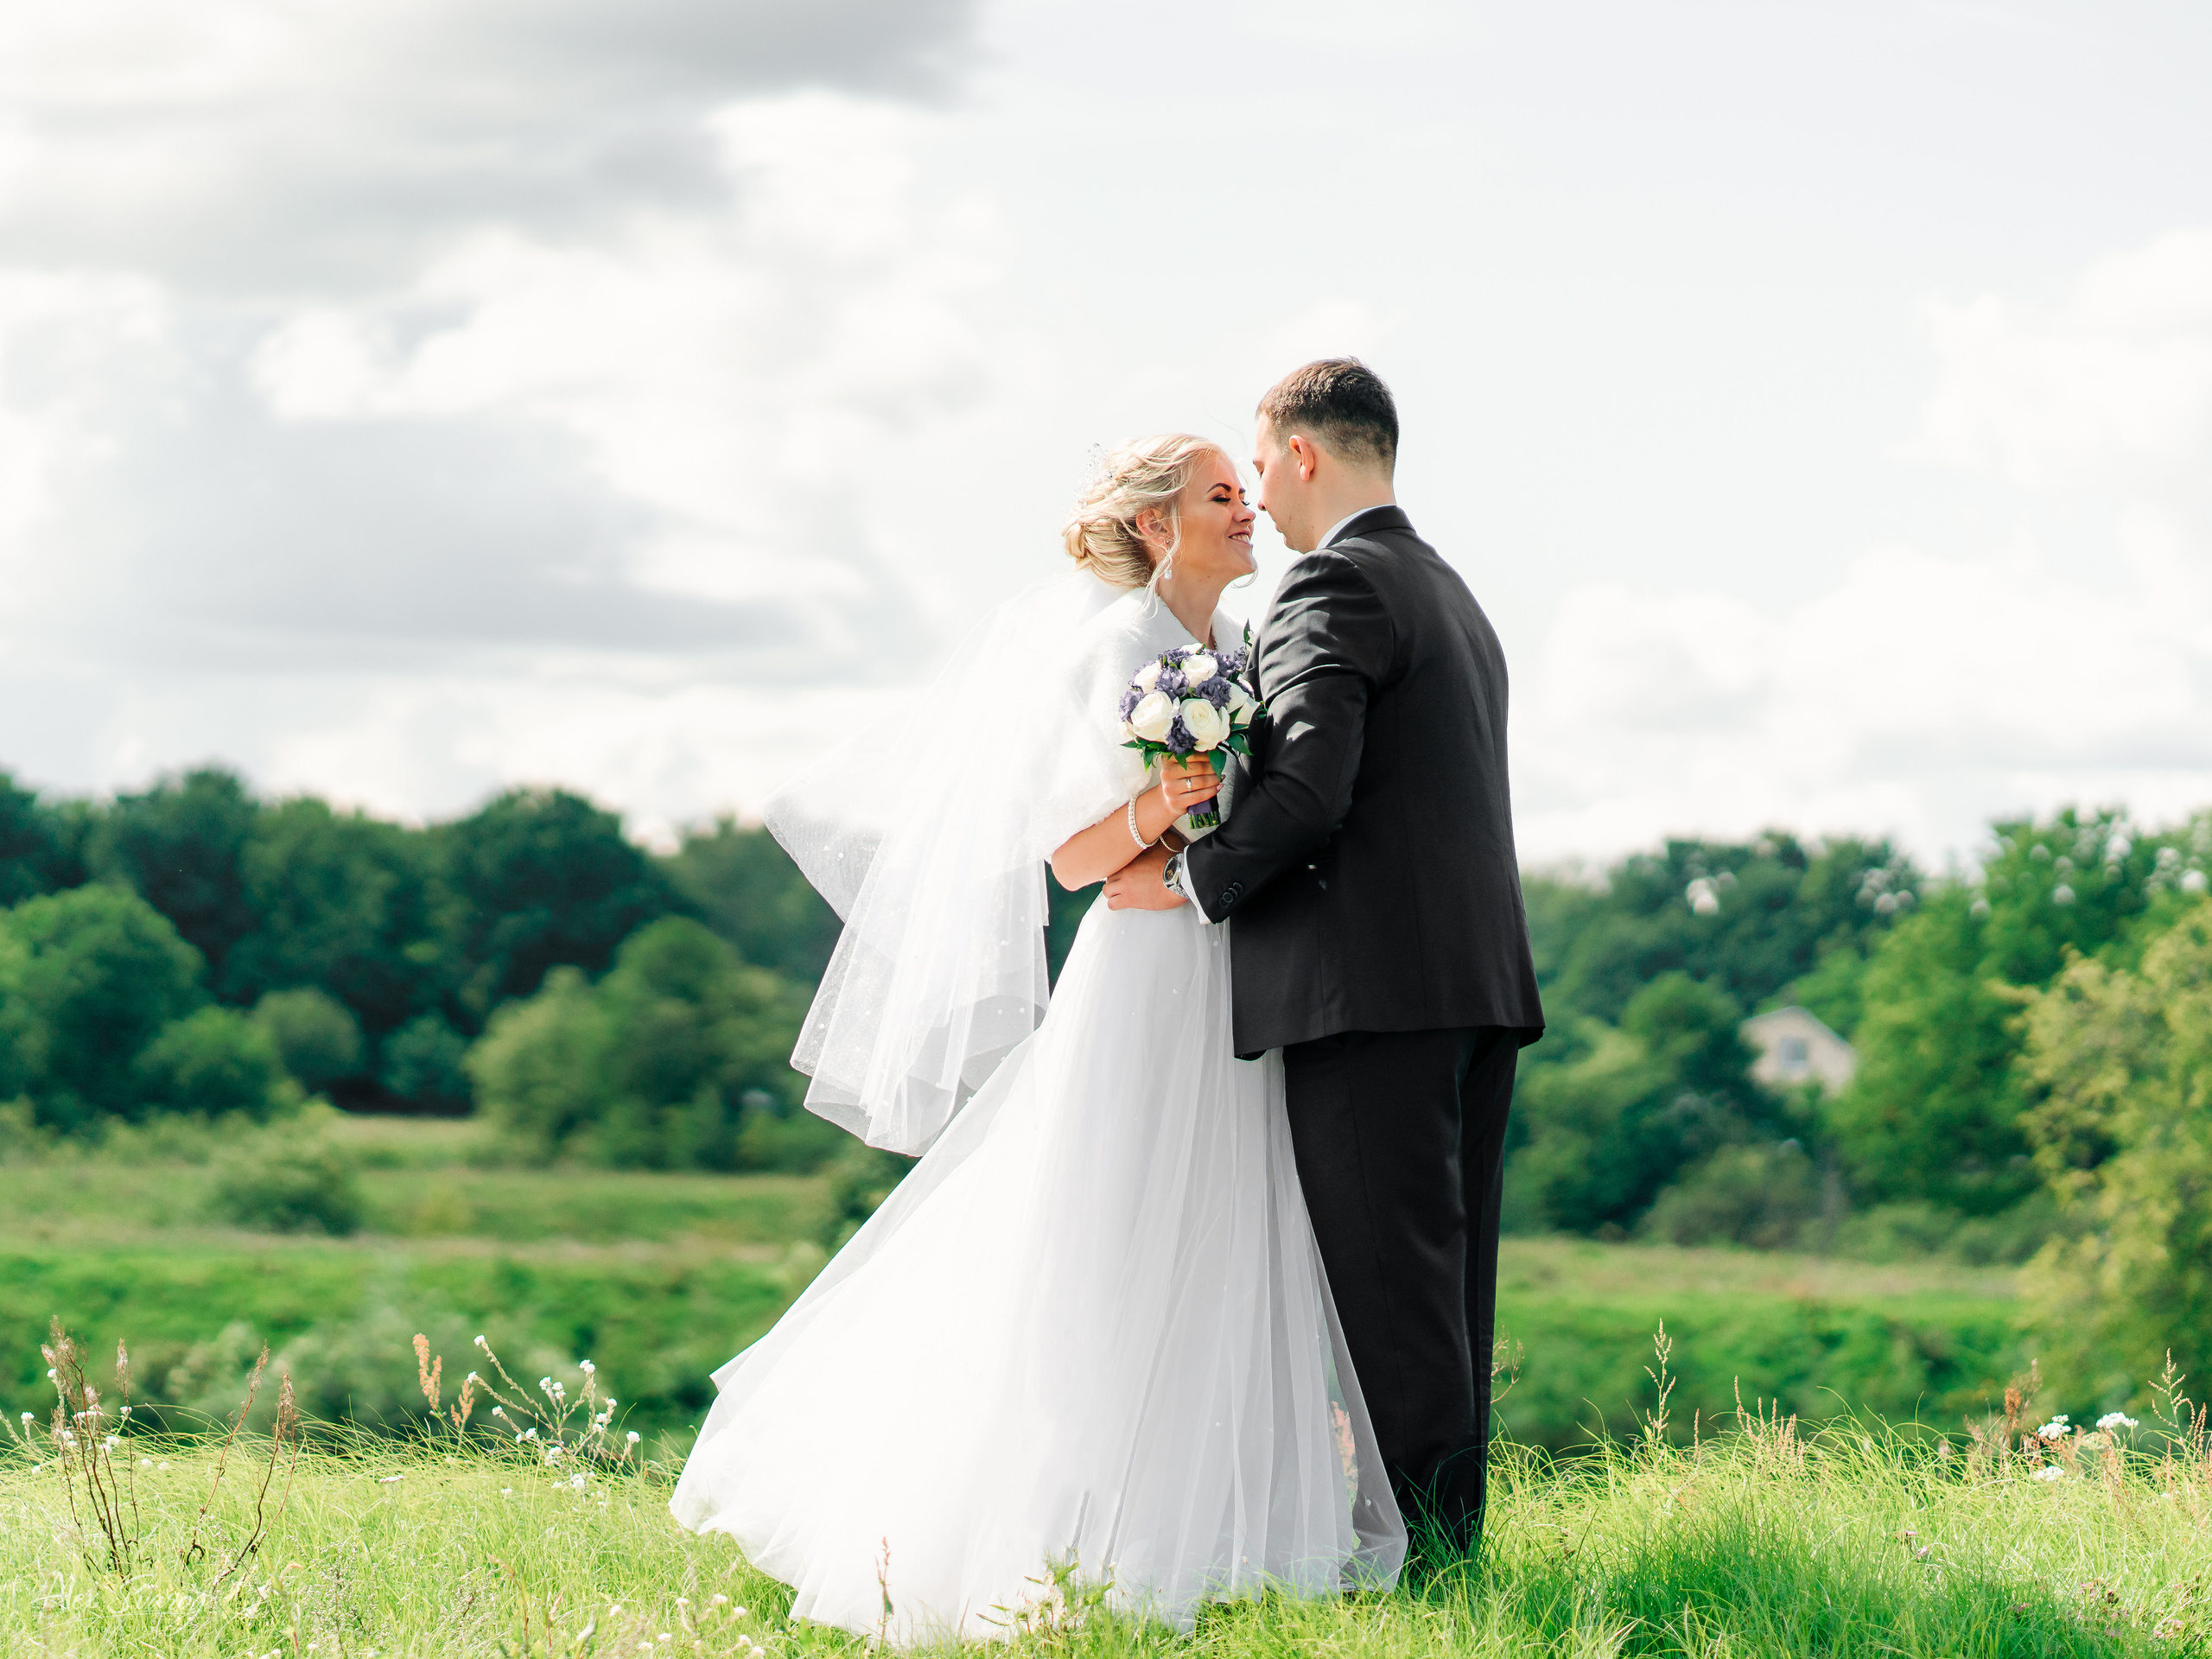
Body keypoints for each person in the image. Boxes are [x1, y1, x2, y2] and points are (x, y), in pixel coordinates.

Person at [669, 433, 1405, 1643]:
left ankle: (1213, 1533)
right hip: (1148, 982)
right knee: (1111, 1236)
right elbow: (1069, 858)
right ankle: (1065, 1534)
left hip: (1226, 968)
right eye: (1225, 497)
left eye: (1245, 493)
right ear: (1162, 523)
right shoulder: (1118, 647)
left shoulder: (1223, 648)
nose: (1249, 513)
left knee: (1224, 1230)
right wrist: (1164, 808)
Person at [1106, 359, 1545, 1555]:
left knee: (1388, 1301)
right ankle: (1448, 1546)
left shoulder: (1333, 588)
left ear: (1303, 453)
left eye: (1258, 465)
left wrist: (1193, 879)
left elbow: (1306, 789)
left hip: (1368, 997)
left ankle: (1423, 1560)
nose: (1259, 491)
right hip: (1470, 989)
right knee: (1444, 1293)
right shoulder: (1449, 589)